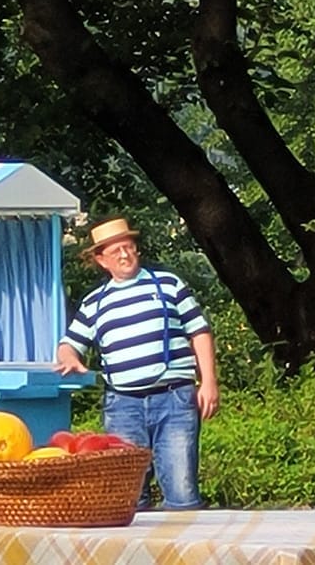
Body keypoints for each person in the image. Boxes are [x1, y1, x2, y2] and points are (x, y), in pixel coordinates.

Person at [55, 216, 220, 510]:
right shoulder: (95, 302)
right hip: (123, 406)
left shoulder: (168, 285)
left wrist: (208, 382)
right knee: (127, 496)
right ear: (101, 259)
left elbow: (199, 332)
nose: (124, 255)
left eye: (128, 247)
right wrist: (71, 359)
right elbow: (69, 344)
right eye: (115, 250)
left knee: (182, 492)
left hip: (174, 399)